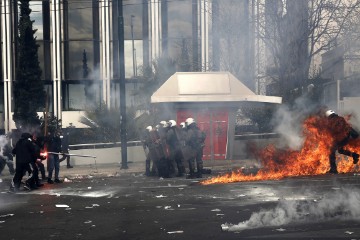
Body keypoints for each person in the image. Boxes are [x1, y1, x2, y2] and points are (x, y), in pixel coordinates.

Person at [325, 109, 359, 174]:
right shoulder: (341, 118)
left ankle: (333, 169)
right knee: (340, 150)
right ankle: (354, 155)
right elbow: (347, 127)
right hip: (346, 138)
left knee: (331, 152)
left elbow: (332, 130)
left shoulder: (332, 121)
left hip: (339, 138)